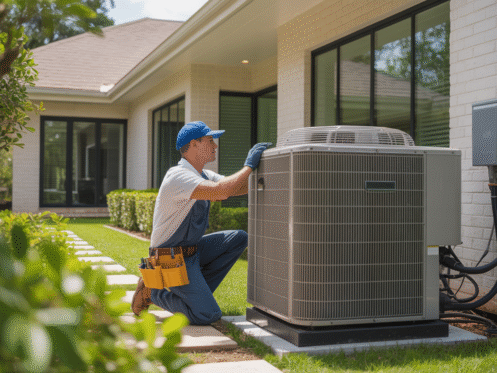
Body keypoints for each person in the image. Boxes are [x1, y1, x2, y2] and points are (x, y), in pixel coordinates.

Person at [131, 120, 271, 325]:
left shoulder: (203, 175)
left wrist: (265, 176)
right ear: (194, 144)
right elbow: (221, 191)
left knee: (238, 238)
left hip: (191, 253)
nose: (215, 146)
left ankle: (195, 297)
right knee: (208, 315)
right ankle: (153, 293)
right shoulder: (178, 176)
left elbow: (233, 188)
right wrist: (249, 165)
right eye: (210, 141)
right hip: (168, 259)